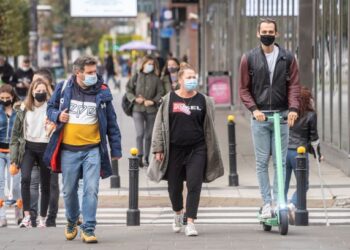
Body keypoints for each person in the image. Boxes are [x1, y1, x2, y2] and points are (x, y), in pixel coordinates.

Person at [44, 55, 122, 244]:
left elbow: (111, 122)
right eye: (89, 72)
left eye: (95, 71)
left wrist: (116, 149)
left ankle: (88, 227)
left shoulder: (102, 91)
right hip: (69, 150)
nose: (93, 75)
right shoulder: (63, 88)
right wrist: (57, 115)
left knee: (91, 189)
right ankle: (72, 221)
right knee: (69, 190)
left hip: (92, 150)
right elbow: (50, 108)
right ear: (77, 73)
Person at [147, 63, 224, 236]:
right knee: (174, 187)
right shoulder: (169, 99)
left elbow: (208, 126)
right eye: (188, 77)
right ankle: (177, 212)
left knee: (194, 184)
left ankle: (190, 221)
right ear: (180, 80)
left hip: (197, 148)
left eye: (194, 77)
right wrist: (158, 148)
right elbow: (159, 125)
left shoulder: (204, 100)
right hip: (174, 149)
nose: (192, 80)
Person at [239, 18, 301, 218]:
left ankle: (280, 200)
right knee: (262, 161)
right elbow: (243, 89)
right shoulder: (249, 58)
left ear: (277, 34)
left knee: (280, 163)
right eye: (264, 31)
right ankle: (267, 203)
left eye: (271, 31)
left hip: (282, 115)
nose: (267, 34)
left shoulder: (288, 57)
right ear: (258, 34)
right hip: (260, 117)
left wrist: (293, 108)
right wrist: (254, 109)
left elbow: (294, 86)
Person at [10, 78, 53, 228]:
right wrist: (14, 158)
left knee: (45, 184)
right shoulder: (23, 108)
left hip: (45, 148)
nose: (40, 93)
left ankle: (42, 218)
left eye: (43, 91)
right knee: (25, 178)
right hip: (28, 147)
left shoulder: (51, 108)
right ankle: (27, 216)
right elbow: (15, 135)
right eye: (38, 91)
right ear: (32, 91)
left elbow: (58, 127)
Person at [284, 86, 322, 224]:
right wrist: (318, 154)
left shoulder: (288, 112)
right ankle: (292, 205)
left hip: (285, 152)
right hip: (299, 154)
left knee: (284, 184)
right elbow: (314, 139)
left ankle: (281, 209)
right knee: (303, 184)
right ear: (308, 100)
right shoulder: (311, 115)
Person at [29, 68, 60, 227]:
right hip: (33, 148)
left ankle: (51, 218)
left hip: (51, 148)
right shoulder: (30, 100)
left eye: (38, 81)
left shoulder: (56, 100)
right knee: (33, 183)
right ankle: (32, 217)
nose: (35, 85)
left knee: (51, 184)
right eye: (33, 82)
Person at [126, 55, 164, 167]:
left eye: (152, 64)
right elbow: (128, 89)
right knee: (140, 134)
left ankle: (147, 158)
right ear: (143, 64)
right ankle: (139, 157)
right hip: (137, 109)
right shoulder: (136, 76)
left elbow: (160, 92)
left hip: (151, 110)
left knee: (148, 135)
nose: (150, 66)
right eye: (148, 64)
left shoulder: (156, 79)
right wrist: (134, 99)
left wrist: (153, 101)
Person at [0, 84, 21, 227]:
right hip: (0, 152)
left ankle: (19, 214)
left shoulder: (19, 111)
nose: (5, 100)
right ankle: (2, 217)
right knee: (0, 184)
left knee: (15, 185)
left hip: (14, 153)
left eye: (7, 98)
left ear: (12, 97)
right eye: (2, 98)